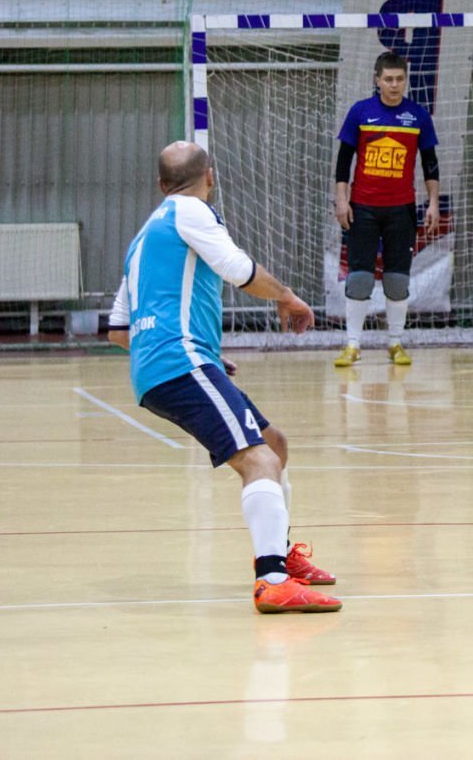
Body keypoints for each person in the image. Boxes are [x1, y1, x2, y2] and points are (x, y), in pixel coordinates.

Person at [109, 141, 341, 615]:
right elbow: (237, 269)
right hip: (180, 362)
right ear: (210, 177)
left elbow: (118, 328)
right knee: (259, 460)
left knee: (273, 443)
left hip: (162, 365)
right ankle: (272, 581)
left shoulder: (142, 238)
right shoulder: (190, 210)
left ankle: (282, 554)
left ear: (160, 184)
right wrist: (287, 296)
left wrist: (199, 353)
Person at [333, 51, 442, 367]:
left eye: (400, 79)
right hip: (363, 208)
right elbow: (343, 161)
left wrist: (433, 203)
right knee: (359, 279)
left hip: (401, 210)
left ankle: (395, 343)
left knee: (397, 280)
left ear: (406, 80)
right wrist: (342, 200)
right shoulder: (360, 112)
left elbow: (430, 163)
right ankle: (352, 345)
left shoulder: (418, 116)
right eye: (389, 79)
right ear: (377, 80)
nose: (394, 85)